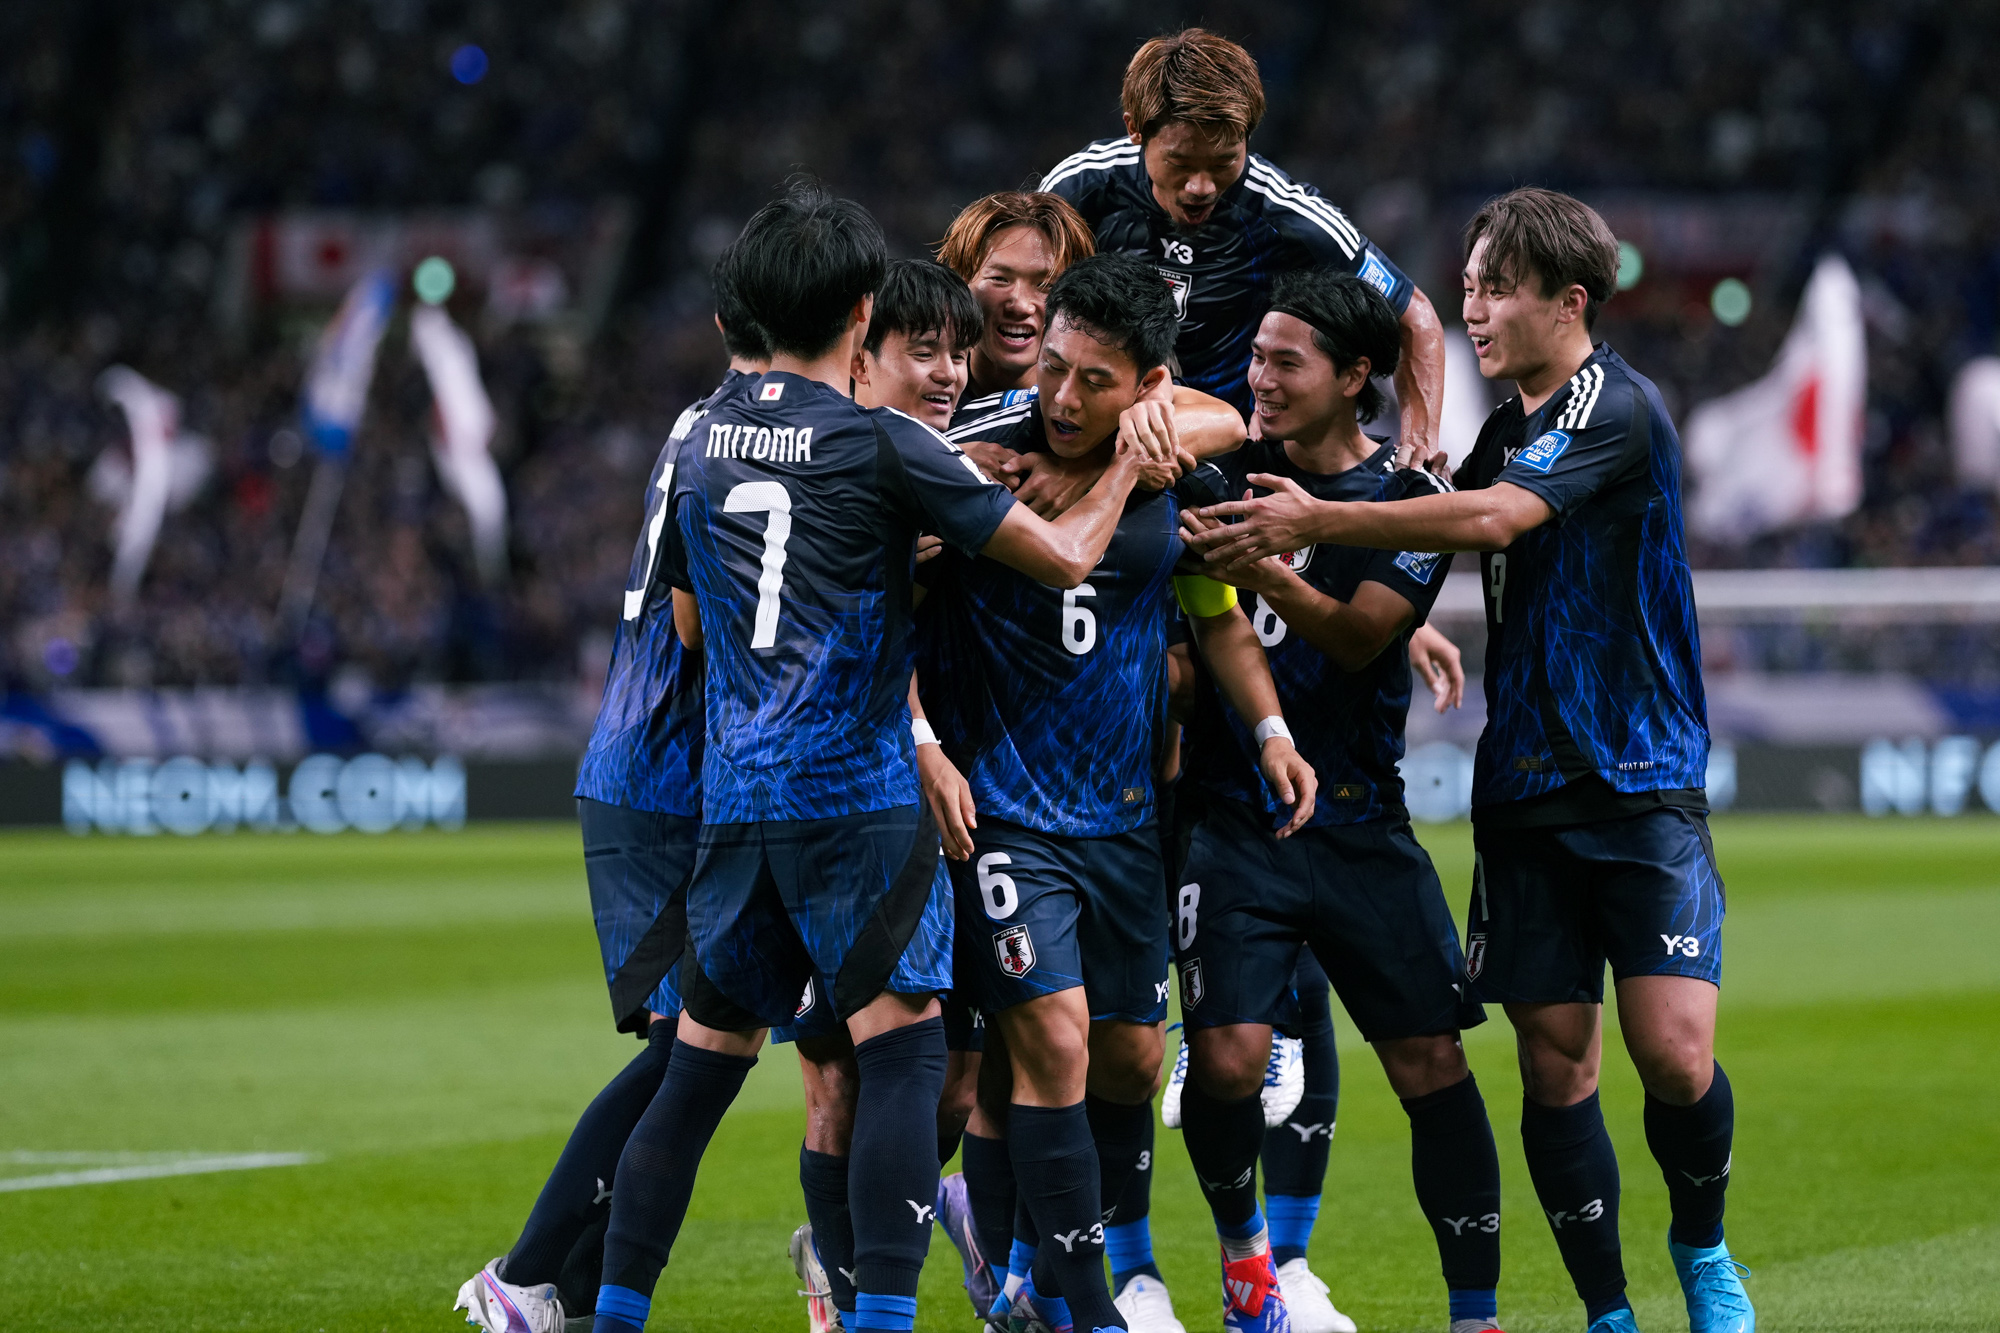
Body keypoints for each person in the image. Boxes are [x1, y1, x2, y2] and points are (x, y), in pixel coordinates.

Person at [586, 178, 1165, 1333]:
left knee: (696, 1076)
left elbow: (690, 627)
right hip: (856, 802)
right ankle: (881, 1320)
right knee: (902, 1063)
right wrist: (1119, 474)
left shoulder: (700, 436)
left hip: (734, 802)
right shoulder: (884, 440)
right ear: (861, 315)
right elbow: (1060, 558)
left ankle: (613, 1315)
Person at [1185, 188, 1751, 1333]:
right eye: (1468, 287)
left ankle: (1699, 1243)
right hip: (1524, 789)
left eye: (1494, 288)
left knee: (1672, 1055)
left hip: (1638, 781)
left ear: (1567, 301)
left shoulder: (1614, 408)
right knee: (1554, 1067)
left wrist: (1315, 528)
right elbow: (1440, 534)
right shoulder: (1501, 435)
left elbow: (1490, 521)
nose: (1472, 310)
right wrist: (1405, 620)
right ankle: (1607, 1312)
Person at [919, 252, 1315, 1333]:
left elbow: (1218, 618)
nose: (1061, 396)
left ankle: (1025, 1278)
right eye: (1053, 366)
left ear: (1148, 385)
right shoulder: (974, 453)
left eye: (1094, 381)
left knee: (1131, 1060)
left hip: (1125, 821)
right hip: (1003, 813)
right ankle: (1089, 1309)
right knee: (1051, 1042)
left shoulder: (1176, 471)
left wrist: (1271, 732)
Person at [1174, 268, 1505, 1333]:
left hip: (1361, 820)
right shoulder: (1220, 472)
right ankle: (1248, 1264)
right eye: (1255, 356)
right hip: (1235, 817)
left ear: (1355, 375)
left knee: (1431, 1064)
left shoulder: (1406, 499)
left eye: (1286, 361)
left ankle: (1475, 1313)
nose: (1259, 378)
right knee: (1226, 1059)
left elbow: (1361, 636)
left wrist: (1269, 569)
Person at [452, 250, 768, 1333]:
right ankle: (525, 1274)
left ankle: (571, 1297)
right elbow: (697, 620)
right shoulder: (747, 434)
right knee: (692, 1050)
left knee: (697, 1051)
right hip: (668, 768)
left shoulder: (703, 423)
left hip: (653, 762)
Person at [781, 257, 998, 1333]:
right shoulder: (838, 463)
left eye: (960, 353)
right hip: (842, 798)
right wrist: (918, 739)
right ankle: (848, 1282)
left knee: (952, 1079)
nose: (950, 372)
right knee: (842, 1074)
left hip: (970, 800)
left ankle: (896, 1235)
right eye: (926, 352)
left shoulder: (954, 455)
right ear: (861, 357)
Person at [1037, 28, 1446, 454]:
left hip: (1227, 448)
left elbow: (1414, 315)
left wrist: (1418, 444)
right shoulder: (1080, 187)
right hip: (1091, 430)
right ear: (1135, 129)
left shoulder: (1288, 214)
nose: (1201, 187)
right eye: (1180, 162)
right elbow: (1021, 300)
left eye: (1224, 162)